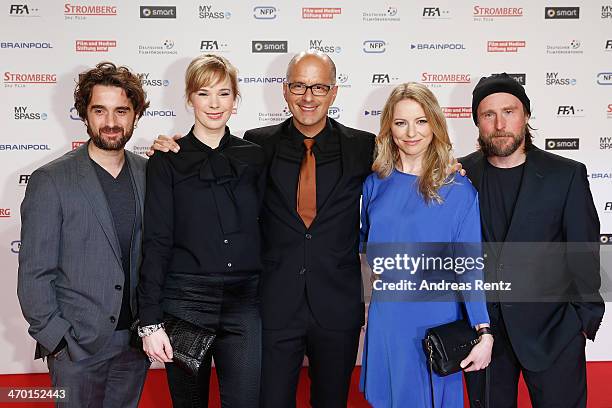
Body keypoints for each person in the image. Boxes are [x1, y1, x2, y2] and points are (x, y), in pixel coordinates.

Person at [148, 50, 376, 407]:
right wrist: (171, 148)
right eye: (299, 86)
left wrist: (450, 169)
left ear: (334, 92)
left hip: (337, 307)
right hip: (272, 307)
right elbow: (212, 156)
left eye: (319, 87)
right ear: (285, 90)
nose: (308, 96)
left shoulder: (364, 146)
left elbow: (409, 167)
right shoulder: (259, 145)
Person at [461, 73, 605, 408]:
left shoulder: (566, 174)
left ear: (525, 115)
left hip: (554, 332)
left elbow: (583, 251)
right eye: (488, 115)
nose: (500, 124)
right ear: (477, 122)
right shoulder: (461, 175)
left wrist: (581, 321)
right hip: (484, 336)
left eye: (509, 112)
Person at [17, 62, 150, 407]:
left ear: (136, 115)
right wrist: (58, 341)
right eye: (99, 110)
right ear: (84, 115)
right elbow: (34, 273)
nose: (110, 122)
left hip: (135, 344)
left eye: (121, 110)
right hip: (76, 347)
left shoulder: (150, 173)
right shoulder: (52, 180)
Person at [136, 54, 264, 408]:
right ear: (190, 97)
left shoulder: (254, 157)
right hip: (186, 303)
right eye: (204, 93)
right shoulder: (167, 160)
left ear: (235, 100)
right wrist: (150, 321)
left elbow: (268, 230)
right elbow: (157, 241)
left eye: (224, 94)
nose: (214, 104)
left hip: (245, 304)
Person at [359, 82, 493, 408]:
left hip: (435, 319)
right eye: (401, 122)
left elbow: (469, 265)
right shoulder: (374, 183)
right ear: (388, 127)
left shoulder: (458, 190)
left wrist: (484, 330)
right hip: (386, 316)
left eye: (421, 121)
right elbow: (364, 249)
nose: (411, 132)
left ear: (434, 124)